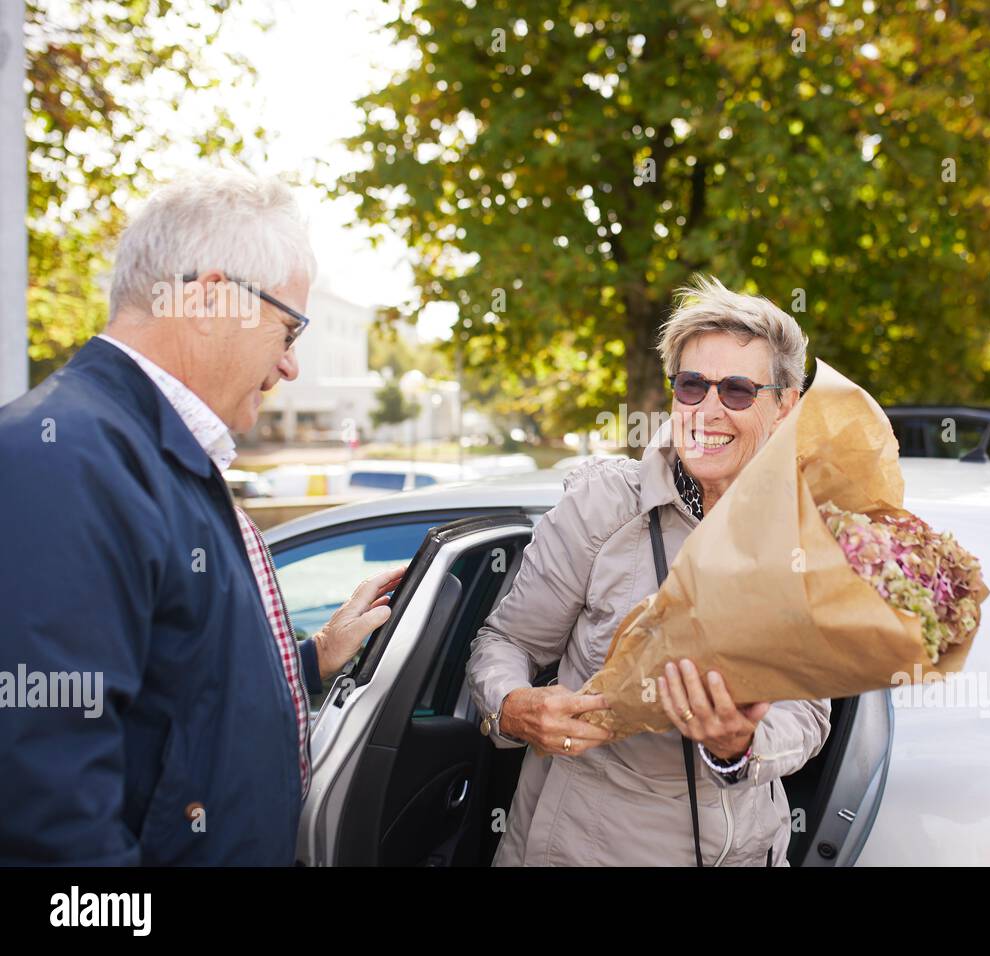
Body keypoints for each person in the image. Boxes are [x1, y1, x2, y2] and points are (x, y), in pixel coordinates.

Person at [0, 169, 397, 865]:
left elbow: (170, 697)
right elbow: (49, 816)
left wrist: (307, 663)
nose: (291, 365)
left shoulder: (145, 448)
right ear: (214, 297)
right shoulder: (64, 461)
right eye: (288, 328)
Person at [467, 275, 831, 866]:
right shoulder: (601, 506)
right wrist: (511, 706)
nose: (708, 409)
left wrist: (739, 746)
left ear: (784, 406)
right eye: (692, 386)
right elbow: (503, 641)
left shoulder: (809, 535)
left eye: (738, 390)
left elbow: (808, 714)